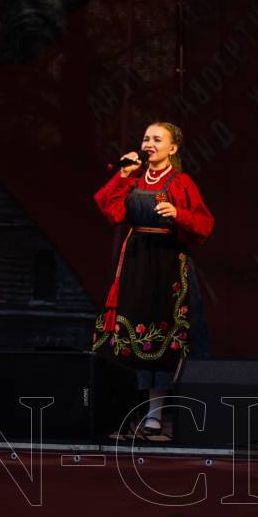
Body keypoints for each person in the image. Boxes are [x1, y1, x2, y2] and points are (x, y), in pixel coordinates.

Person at [91, 121, 213, 438]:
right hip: (136, 261)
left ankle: (155, 413)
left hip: (167, 263)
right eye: (146, 138)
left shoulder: (181, 182)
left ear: (173, 148)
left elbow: (204, 224)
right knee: (128, 334)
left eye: (157, 139)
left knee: (161, 338)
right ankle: (122, 411)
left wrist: (178, 214)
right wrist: (122, 175)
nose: (149, 144)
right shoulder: (133, 178)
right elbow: (111, 211)